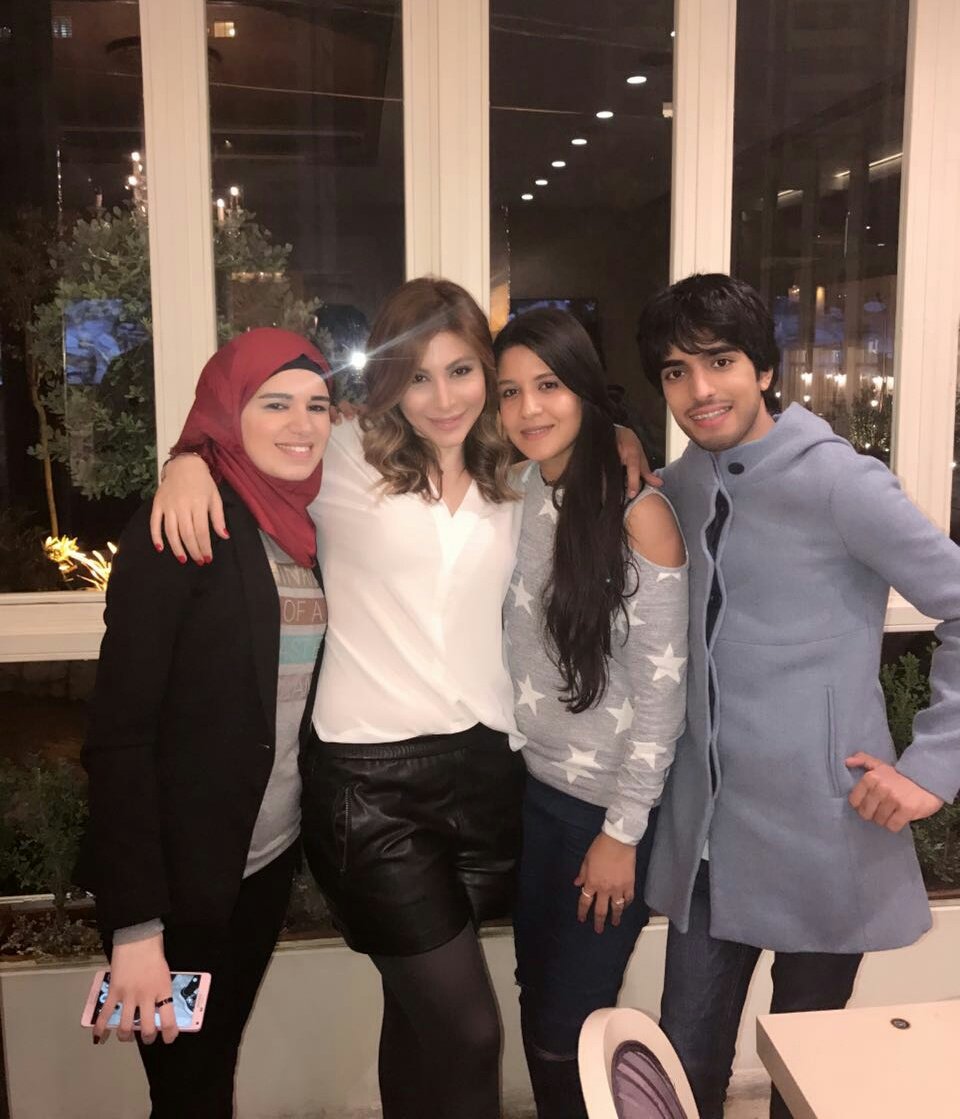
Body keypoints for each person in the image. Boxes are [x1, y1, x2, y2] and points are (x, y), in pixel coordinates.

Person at [150, 279, 646, 1119]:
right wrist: (188, 459)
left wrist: (621, 435)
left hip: (487, 777)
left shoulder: (517, 469)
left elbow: (586, 435)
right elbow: (249, 439)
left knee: (418, 1017)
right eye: (417, 376)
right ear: (388, 381)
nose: (442, 397)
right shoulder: (343, 455)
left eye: (461, 371)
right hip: (370, 787)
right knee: (470, 1033)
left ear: (487, 371)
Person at [634, 273, 960, 1119]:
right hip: (708, 841)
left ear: (765, 369)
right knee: (682, 1064)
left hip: (824, 829)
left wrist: (932, 766)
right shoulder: (682, 486)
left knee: (805, 1074)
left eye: (720, 361)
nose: (699, 389)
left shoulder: (841, 482)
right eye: (675, 371)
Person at [79, 328, 332, 1118]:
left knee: (210, 1068)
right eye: (275, 403)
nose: (302, 424)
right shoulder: (182, 526)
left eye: (318, 404)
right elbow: (119, 735)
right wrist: (136, 927)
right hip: (177, 884)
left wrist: (619, 439)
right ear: (228, 410)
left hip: (262, 861)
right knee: (188, 1091)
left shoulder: (305, 522)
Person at [494, 308, 688, 1119]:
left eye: (548, 385)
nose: (528, 408)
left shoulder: (639, 513)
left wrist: (623, 831)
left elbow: (664, 695)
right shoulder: (515, 489)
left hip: (605, 814)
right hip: (534, 795)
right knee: (535, 991)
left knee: (568, 1025)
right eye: (510, 391)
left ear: (583, 388)